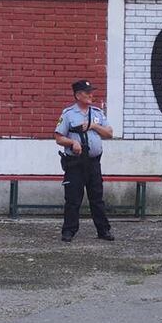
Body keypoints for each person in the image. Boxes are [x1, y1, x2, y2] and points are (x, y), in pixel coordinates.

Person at [54, 79, 115, 242]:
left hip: (93, 163)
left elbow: (109, 133)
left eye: (91, 92)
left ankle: (103, 230)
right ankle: (69, 231)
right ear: (78, 95)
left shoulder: (97, 113)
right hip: (75, 163)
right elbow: (58, 138)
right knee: (73, 199)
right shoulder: (68, 114)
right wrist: (72, 142)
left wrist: (94, 126)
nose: (91, 95)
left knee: (97, 198)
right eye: (87, 93)